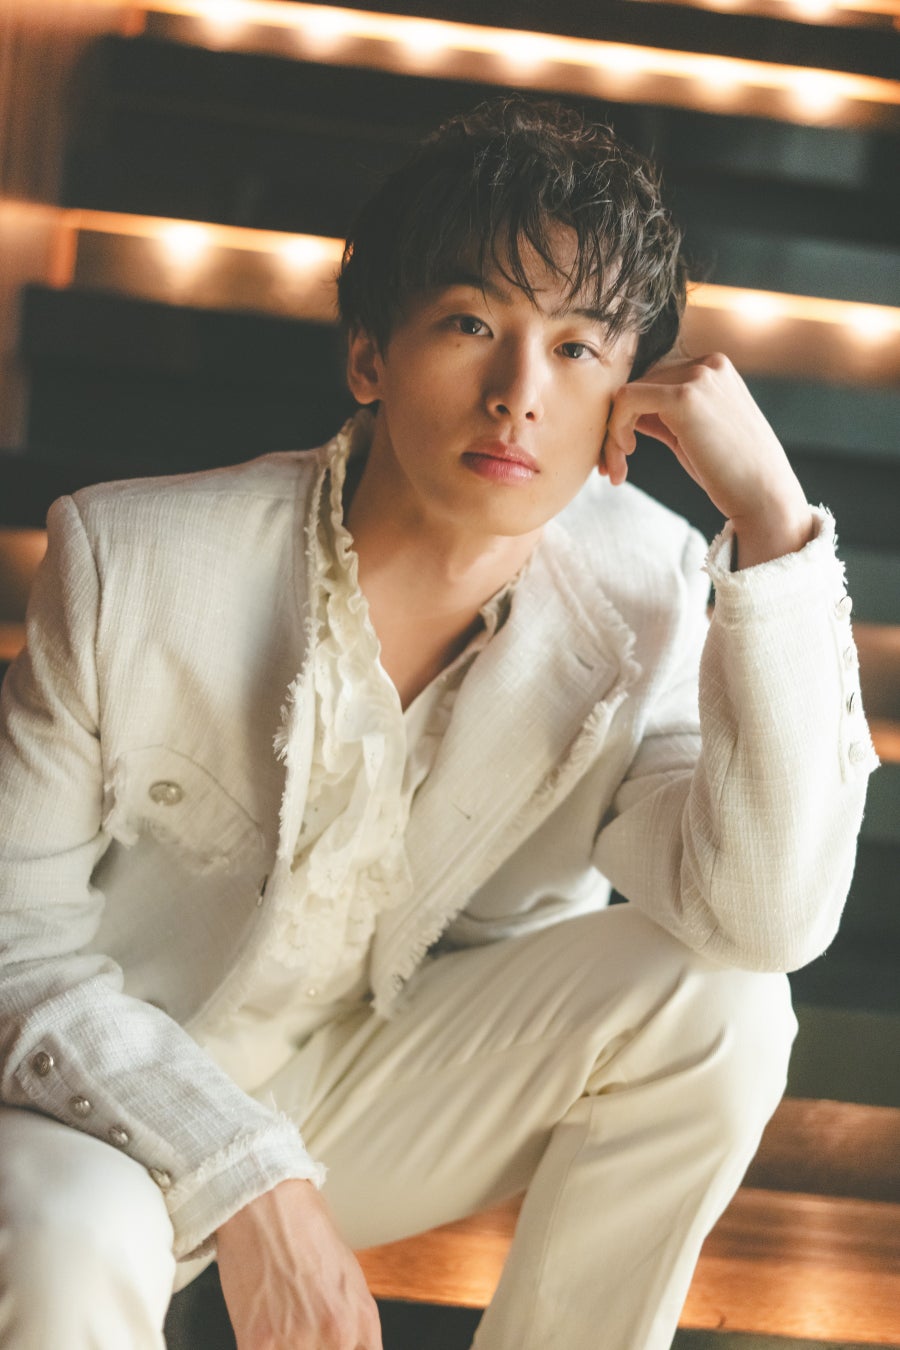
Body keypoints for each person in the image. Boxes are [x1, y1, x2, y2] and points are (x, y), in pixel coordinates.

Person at [0, 96, 877, 1350]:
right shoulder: (130, 562)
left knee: (726, 1008)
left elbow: (767, 920)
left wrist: (778, 533)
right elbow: (15, 955)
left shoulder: (652, 590)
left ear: (630, 400)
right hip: (109, 1108)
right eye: (473, 324)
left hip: (380, 1094)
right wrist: (243, 1173)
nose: (519, 395)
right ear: (370, 358)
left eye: (578, 348)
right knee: (71, 1237)